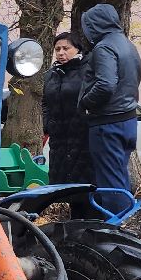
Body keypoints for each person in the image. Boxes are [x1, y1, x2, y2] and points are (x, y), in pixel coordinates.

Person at [77, 3, 141, 203]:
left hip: (108, 124)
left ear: (95, 25)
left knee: (110, 184)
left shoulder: (104, 47)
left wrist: (86, 103)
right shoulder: (127, 45)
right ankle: (126, 221)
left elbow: (105, 85)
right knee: (119, 179)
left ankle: (116, 229)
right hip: (126, 120)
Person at [42, 31, 91, 186]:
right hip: (58, 139)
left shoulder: (87, 71)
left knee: (83, 184)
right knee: (61, 186)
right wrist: (47, 124)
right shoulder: (51, 74)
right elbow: (45, 102)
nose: (61, 53)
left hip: (82, 138)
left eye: (66, 48)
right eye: (57, 49)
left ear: (77, 49)